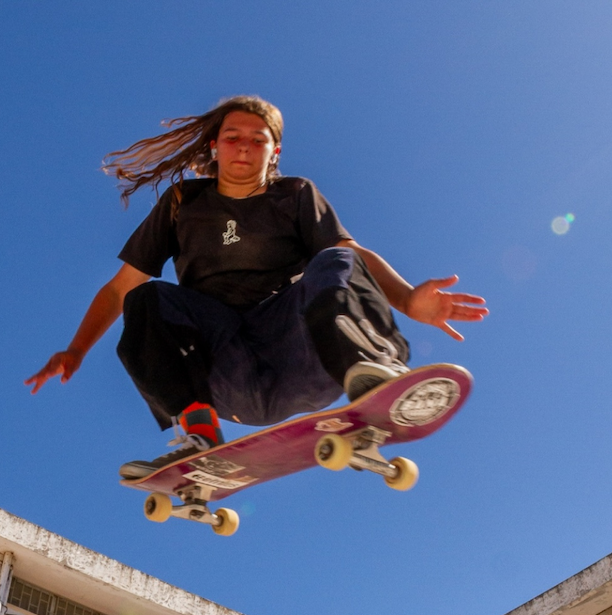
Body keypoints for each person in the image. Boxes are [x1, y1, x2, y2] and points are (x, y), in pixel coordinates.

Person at [25, 95, 488, 479]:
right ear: (215, 146)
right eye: (233, 138)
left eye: (257, 140)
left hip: (298, 353)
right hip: (223, 369)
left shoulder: (295, 195)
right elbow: (118, 288)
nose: (244, 147)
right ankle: (198, 431)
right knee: (145, 298)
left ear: (275, 152)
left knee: (334, 257)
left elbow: (352, 255)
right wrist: (77, 349)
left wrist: (407, 299)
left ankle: (368, 369)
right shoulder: (185, 202)